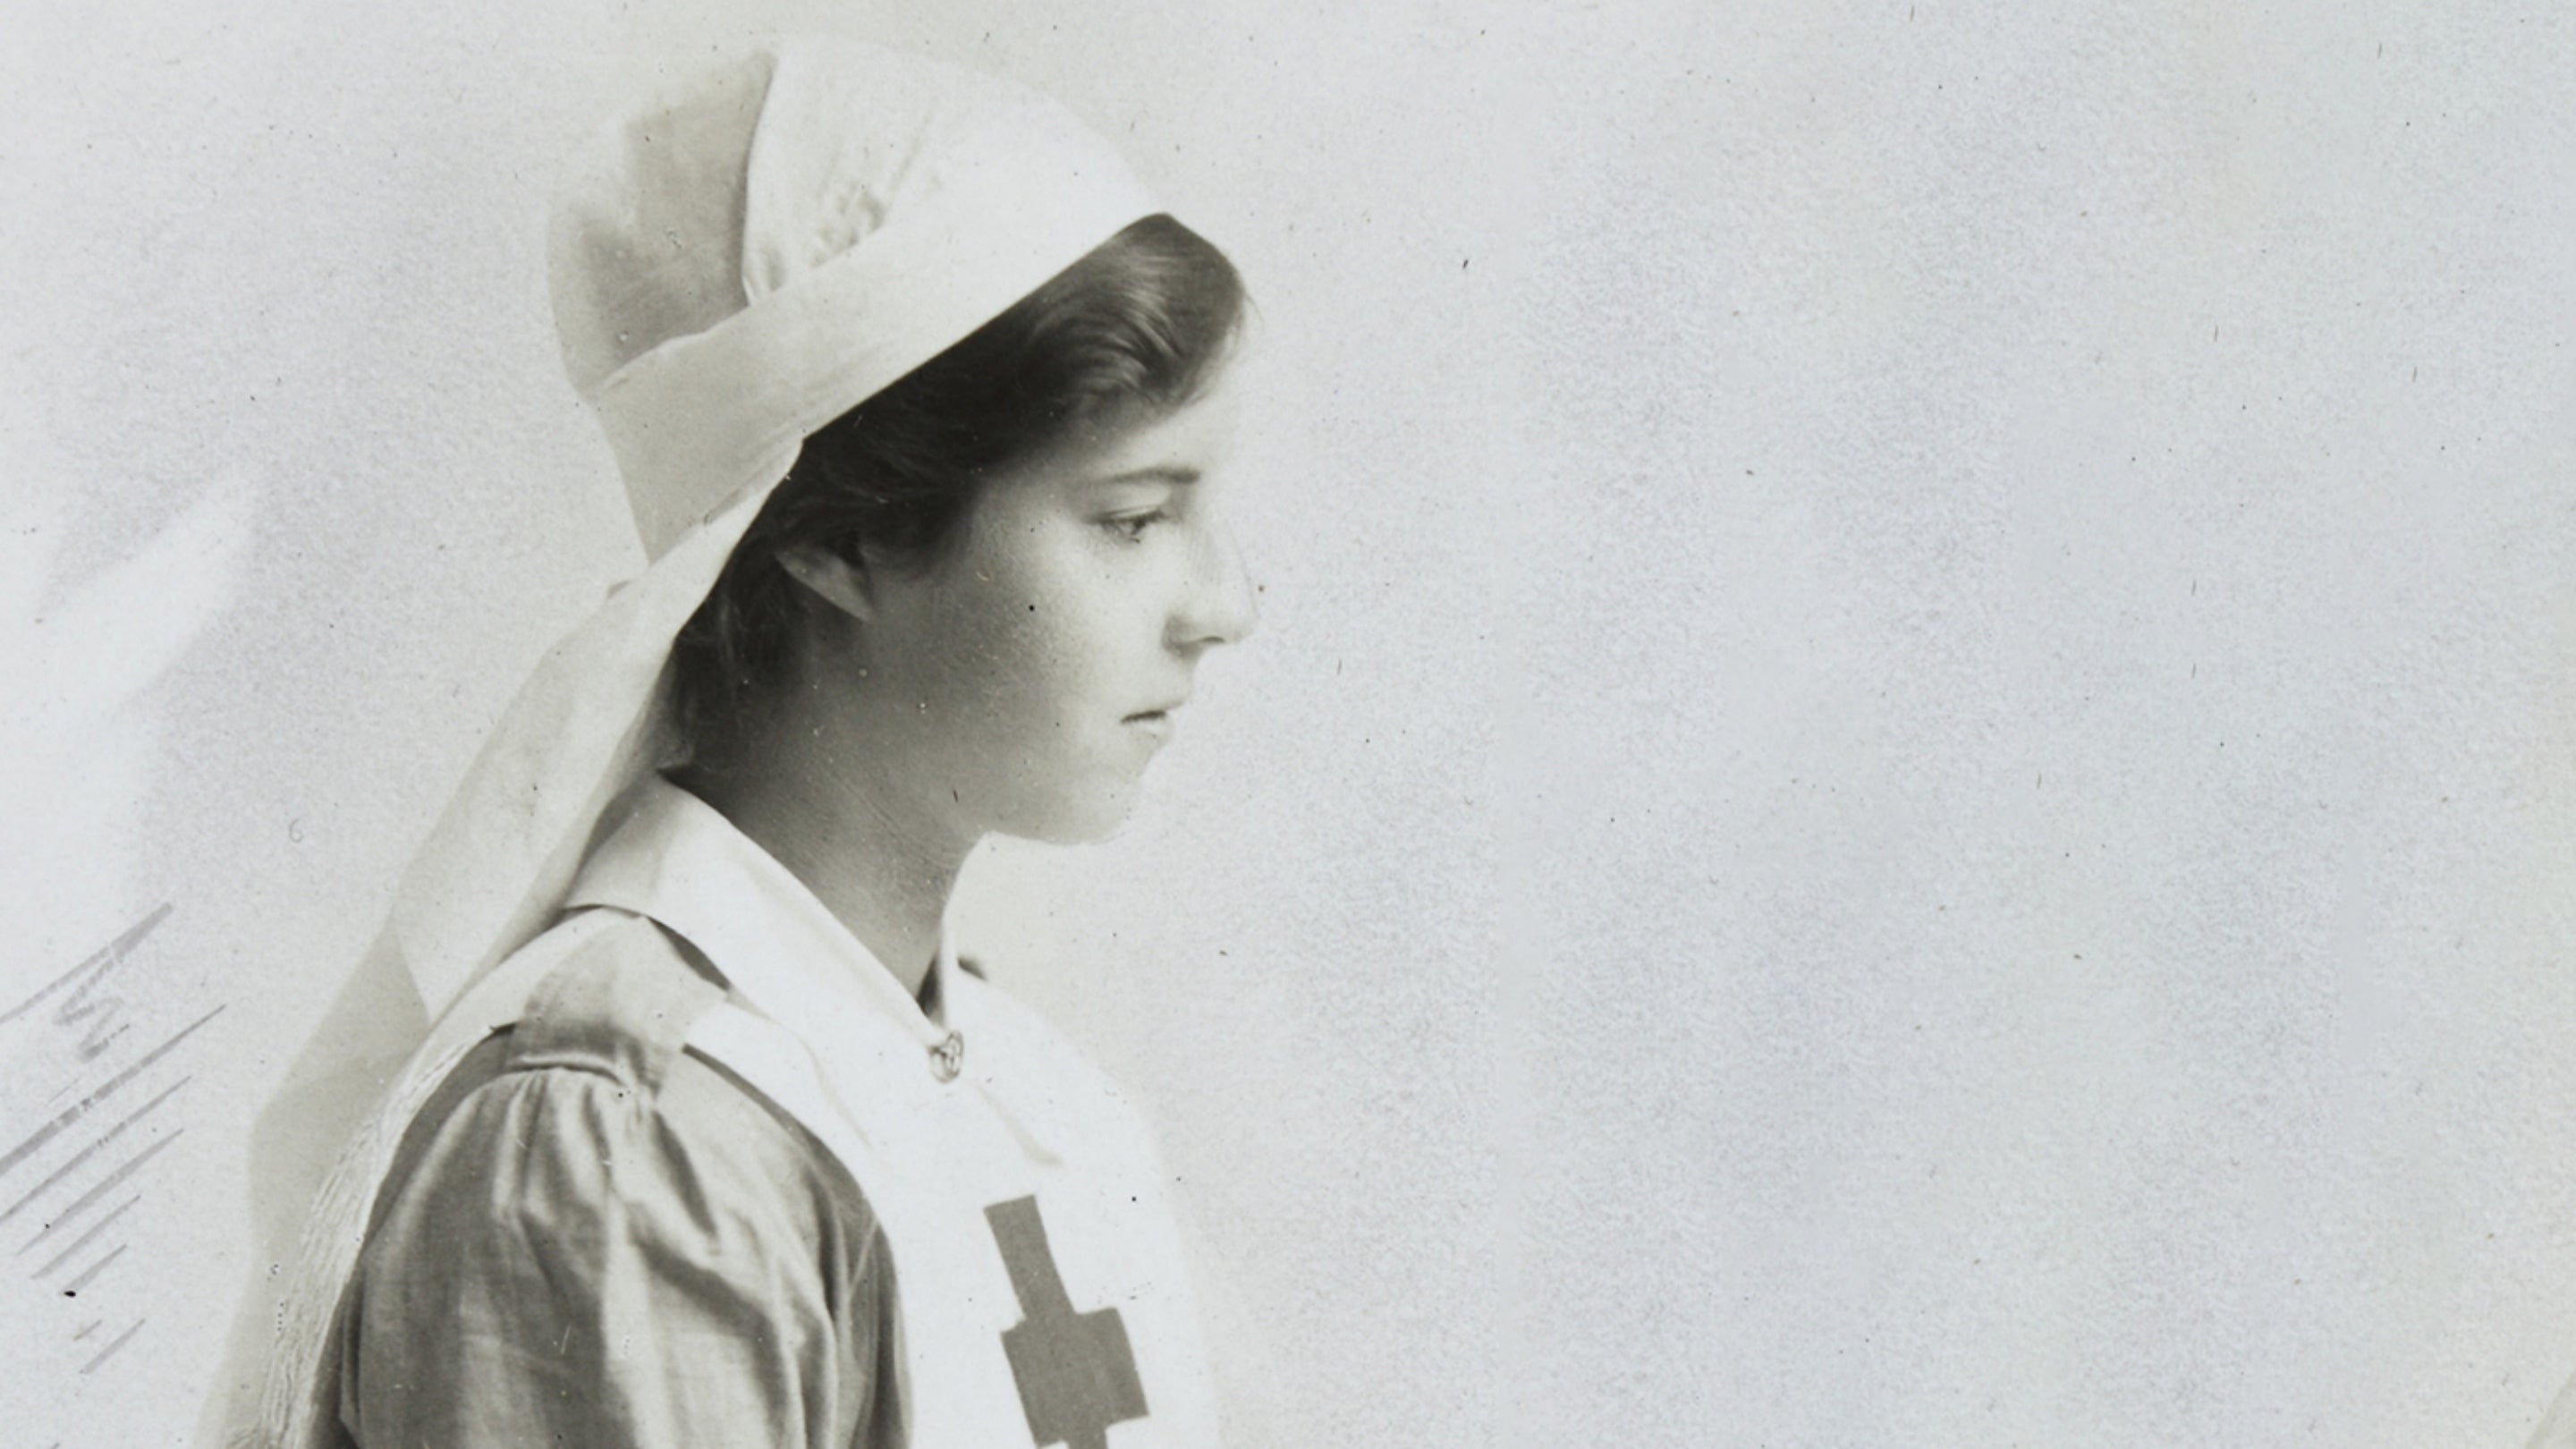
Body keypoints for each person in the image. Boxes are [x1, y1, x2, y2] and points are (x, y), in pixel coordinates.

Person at [233, 37, 1254, 1449]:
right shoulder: (632, 1150)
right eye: (1135, 519)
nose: (1227, 607)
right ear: (841, 536)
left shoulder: (1034, 1102)